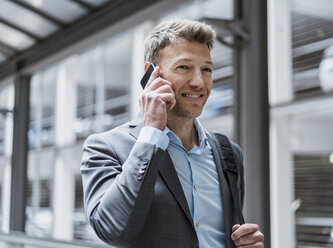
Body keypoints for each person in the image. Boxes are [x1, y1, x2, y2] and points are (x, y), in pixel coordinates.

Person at [81, 19, 264, 248]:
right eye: (184, 67)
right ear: (152, 76)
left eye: (206, 69)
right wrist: (151, 135)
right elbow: (112, 230)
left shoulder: (228, 152)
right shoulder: (105, 147)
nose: (199, 82)